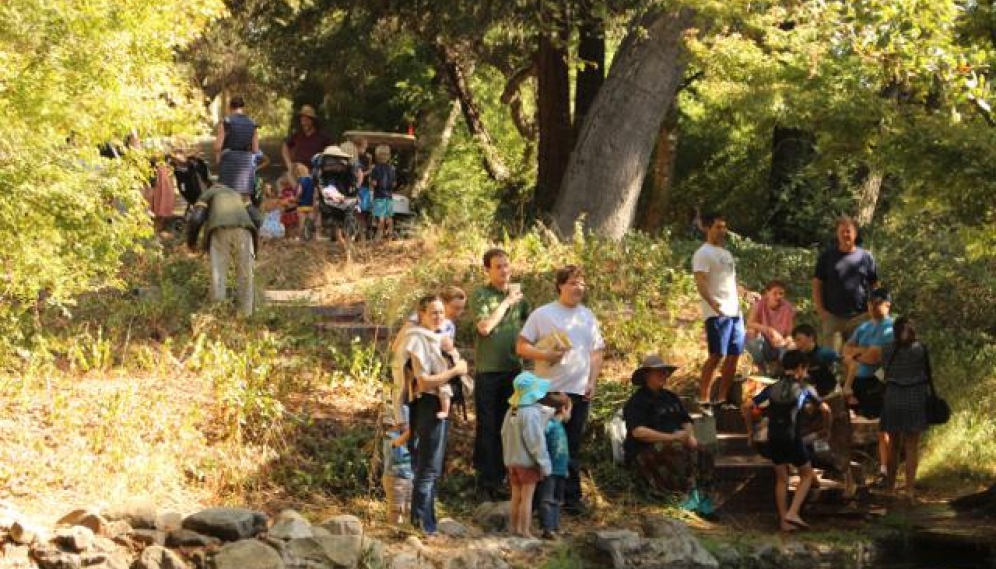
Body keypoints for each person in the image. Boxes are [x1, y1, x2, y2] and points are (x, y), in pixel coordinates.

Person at [517, 265, 605, 513]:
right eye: (573, 283)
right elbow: (522, 347)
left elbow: (596, 352)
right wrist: (545, 353)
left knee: (572, 445)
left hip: (579, 389)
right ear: (560, 286)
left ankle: (571, 499)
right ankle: (540, 502)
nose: (578, 288)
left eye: (582, 284)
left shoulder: (587, 316)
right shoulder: (543, 314)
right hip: (548, 390)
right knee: (543, 444)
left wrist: (592, 381)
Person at [394, 295, 468, 536]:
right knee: (427, 468)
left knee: (432, 468)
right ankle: (421, 525)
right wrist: (456, 370)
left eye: (441, 313)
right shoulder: (416, 338)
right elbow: (424, 382)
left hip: (436, 405)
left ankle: (429, 523)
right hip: (428, 405)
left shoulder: (439, 338)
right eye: (433, 313)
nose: (438, 317)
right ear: (422, 315)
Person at [742, 350, 831, 532]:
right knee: (806, 475)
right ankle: (793, 512)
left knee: (782, 479)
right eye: (804, 369)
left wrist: (750, 431)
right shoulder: (805, 388)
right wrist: (826, 429)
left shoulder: (772, 387)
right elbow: (826, 409)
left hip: (773, 437)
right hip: (792, 438)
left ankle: (784, 521)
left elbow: (746, 406)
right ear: (800, 368)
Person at [469, 249, 530, 500]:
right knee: (488, 427)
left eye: (507, 266)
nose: (504, 271)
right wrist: (506, 302)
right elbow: (485, 328)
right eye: (498, 266)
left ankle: (507, 480)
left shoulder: (522, 300)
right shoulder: (480, 295)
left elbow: (530, 329)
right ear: (487, 270)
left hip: (513, 370)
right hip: (488, 372)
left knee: (510, 428)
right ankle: (486, 482)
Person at [623, 355, 716, 516]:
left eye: (665, 372)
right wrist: (673, 438)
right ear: (647, 375)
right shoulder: (637, 401)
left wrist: (690, 437)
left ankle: (702, 498)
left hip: (676, 442)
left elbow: (686, 421)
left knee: (703, 452)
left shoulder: (671, 397)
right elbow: (639, 432)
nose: (663, 375)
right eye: (658, 372)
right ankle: (681, 497)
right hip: (644, 451)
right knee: (676, 449)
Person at [692, 213, 747, 407]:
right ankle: (704, 399)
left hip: (735, 312)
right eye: (718, 227)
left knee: (734, 354)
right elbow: (700, 281)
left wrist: (746, 294)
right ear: (707, 228)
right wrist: (712, 302)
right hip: (717, 312)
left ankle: (722, 398)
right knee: (717, 355)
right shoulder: (703, 253)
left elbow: (731, 283)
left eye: (724, 227)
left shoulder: (726, 254)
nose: (722, 231)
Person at [842, 288, 894, 482]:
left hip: (879, 382)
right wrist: (859, 352)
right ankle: (847, 470)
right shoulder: (863, 327)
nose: (872, 306)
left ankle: (885, 471)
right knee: (844, 423)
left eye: (877, 302)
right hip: (856, 381)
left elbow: (875, 357)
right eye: (870, 302)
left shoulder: (892, 327)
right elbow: (845, 350)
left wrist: (856, 353)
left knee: (884, 428)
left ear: (887, 305)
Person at [186, 183, 259, 317]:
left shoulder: (208, 194)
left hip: (219, 229)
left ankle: (217, 313)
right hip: (246, 230)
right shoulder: (237, 195)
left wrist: (191, 243)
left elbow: (196, 219)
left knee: (219, 272)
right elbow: (256, 218)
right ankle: (246, 316)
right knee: (245, 274)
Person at [880, 317, 930, 500]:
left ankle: (890, 489)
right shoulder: (921, 349)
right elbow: (925, 372)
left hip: (893, 397)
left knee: (893, 445)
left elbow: (884, 371)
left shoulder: (887, 349)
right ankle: (909, 490)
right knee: (911, 446)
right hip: (915, 397)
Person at [812, 216, 880, 347]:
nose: (845, 234)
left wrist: (874, 310)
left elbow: (875, 285)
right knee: (830, 358)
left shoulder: (866, 257)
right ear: (837, 233)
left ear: (855, 233)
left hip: (860, 317)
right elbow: (817, 285)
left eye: (848, 231)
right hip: (832, 317)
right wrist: (821, 311)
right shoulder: (827, 257)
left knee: (856, 360)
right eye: (842, 231)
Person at [501, 372, 553, 539]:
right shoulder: (530, 413)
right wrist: (544, 464)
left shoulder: (512, 410)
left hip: (512, 461)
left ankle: (514, 528)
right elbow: (535, 441)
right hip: (527, 463)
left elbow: (503, 433)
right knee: (527, 498)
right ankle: (525, 530)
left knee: (516, 496)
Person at [745, 280, 796, 375]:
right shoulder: (759, 304)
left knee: (793, 346)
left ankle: (781, 370)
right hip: (764, 344)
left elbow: (789, 333)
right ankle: (759, 367)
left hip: (780, 345)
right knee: (751, 332)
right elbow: (749, 324)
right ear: (767, 293)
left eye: (781, 293)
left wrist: (787, 341)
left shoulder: (788, 308)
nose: (778, 296)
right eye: (775, 293)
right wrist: (769, 330)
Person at [538, 392, 571, 540]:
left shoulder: (561, 427)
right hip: (550, 470)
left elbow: (564, 451)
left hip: (561, 470)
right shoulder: (549, 426)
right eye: (570, 410)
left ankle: (555, 526)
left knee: (558, 499)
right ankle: (547, 528)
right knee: (547, 498)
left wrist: (566, 468)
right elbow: (543, 447)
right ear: (564, 410)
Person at [213, 97, 259, 199]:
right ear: (243, 108)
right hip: (246, 163)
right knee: (246, 200)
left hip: (229, 162)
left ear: (230, 107)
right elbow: (255, 149)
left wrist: (218, 160)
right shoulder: (252, 123)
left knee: (226, 197)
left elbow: (217, 147)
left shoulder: (227, 121)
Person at [382, 408, 413, 525]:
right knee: (396, 507)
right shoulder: (390, 436)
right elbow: (397, 443)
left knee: (408, 505)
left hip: (407, 477)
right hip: (394, 478)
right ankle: (393, 528)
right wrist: (412, 430)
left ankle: (404, 528)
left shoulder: (402, 436)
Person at [281, 104, 333, 173]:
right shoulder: (297, 134)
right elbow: (285, 147)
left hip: (315, 171)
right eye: (302, 121)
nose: (303, 124)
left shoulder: (322, 136)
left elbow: (332, 151)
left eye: (306, 120)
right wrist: (289, 164)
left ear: (312, 121)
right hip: (298, 170)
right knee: (281, 181)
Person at [791, 324, 841, 397]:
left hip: (829, 396)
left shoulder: (825, 353)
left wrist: (847, 386)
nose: (796, 344)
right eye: (794, 340)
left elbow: (849, 363)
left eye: (799, 339)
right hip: (810, 396)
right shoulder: (798, 356)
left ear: (811, 337)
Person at [370, 144, 396, 240]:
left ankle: (379, 234)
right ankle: (390, 233)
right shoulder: (392, 169)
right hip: (389, 195)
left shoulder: (375, 169)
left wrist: (371, 185)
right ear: (389, 156)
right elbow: (394, 184)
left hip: (379, 195)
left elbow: (374, 183)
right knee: (389, 216)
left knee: (381, 216)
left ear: (377, 156)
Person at [294, 163, 317, 240]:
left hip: (302, 204)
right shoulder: (311, 179)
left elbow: (300, 191)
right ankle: (313, 237)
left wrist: (296, 198)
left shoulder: (301, 180)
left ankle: (301, 238)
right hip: (311, 204)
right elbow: (315, 192)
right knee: (311, 221)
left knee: (302, 222)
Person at [278, 173, 300, 240]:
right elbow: (281, 201)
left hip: (293, 210)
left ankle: (295, 236)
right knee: (287, 225)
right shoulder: (283, 191)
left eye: (286, 184)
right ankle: (287, 236)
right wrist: (283, 202)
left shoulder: (294, 190)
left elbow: (297, 199)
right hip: (286, 211)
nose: (285, 185)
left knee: (294, 224)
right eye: (284, 184)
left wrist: (292, 199)